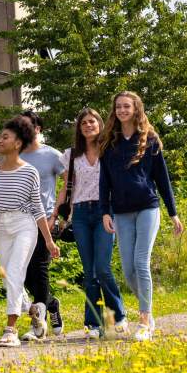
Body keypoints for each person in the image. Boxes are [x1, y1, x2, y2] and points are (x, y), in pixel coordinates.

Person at [0, 118, 60, 348]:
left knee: (16, 272)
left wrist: (48, 240)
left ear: (18, 143)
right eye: (1, 137)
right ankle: (34, 310)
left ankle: (11, 329)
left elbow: (37, 207)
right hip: (2, 226)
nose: (0, 140)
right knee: (8, 278)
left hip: (25, 225)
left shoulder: (30, 172)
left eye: (5, 137)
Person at [98, 91, 183, 342]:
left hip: (148, 207)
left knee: (140, 262)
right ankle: (149, 310)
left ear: (136, 109)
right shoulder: (109, 142)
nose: (122, 110)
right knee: (127, 269)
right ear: (114, 111)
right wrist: (105, 211)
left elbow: (163, 179)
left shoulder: (150, 140)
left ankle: (144, 320)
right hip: (121, 212)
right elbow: (104, 182)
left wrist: (173, 213)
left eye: (127, 106)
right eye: (118, 107)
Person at [55, 107, 126, 339]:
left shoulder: (110, 150)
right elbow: (66, 188)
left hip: (106, 211)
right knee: (89, 272)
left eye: (92, 121)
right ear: (79, 127)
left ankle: (118, 317)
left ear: (100, 124)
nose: (88, 125)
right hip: (82, 215)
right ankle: (93, 324)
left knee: (103, 268)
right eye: (84, 122)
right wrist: (55, 215)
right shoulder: (70, 155)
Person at [16, 110, 66, 340]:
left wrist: (57, 213)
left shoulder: (52, 155)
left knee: (40, 267)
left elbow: (69, 182)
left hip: (45, 219)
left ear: (38, 129)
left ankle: (39, 325)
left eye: (29, 125)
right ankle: (51, 303)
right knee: (24, 273)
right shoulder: (15, 155)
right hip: (19, 221)